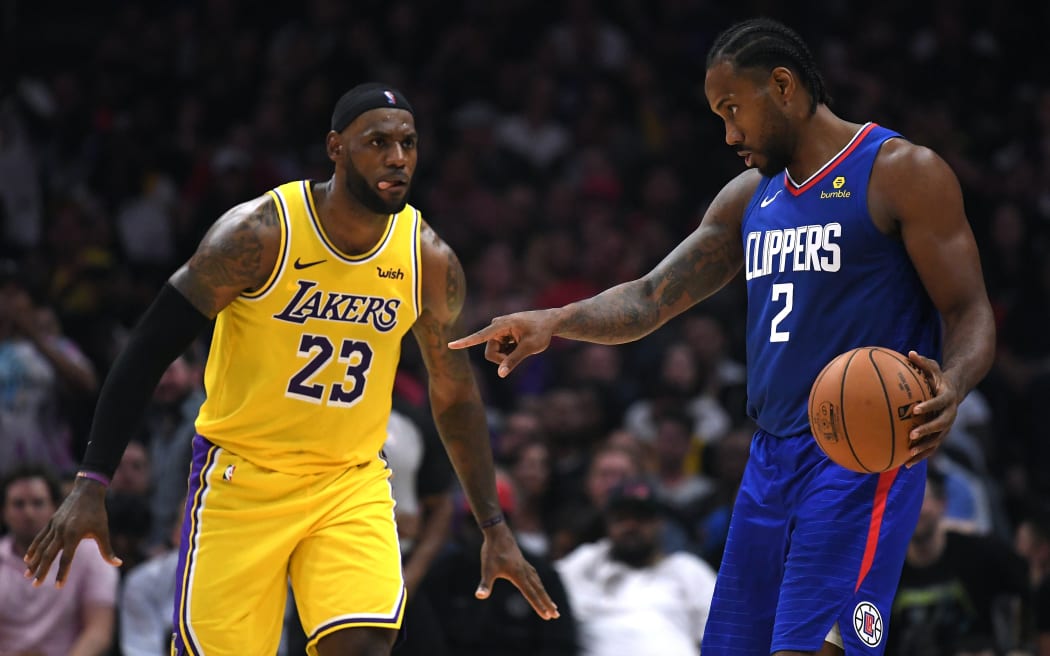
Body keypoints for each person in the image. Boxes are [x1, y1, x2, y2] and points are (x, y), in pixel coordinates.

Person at [450, 18, 996, 656]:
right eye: (719, 116)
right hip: (769, 460)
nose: (729, 133)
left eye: (734, 109)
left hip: (862, 454)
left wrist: (952, 384)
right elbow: (650, 297)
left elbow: (970, 311)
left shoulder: (901, 172)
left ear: (783, 86)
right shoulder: (749, 198)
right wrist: (555, 320)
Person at [23, 82, 558, 656]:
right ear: (336, 147)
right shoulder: (257, 234)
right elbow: (147, 350)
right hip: (243, 479)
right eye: (377, 142)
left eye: (408, 143)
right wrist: (92, 481)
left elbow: (454, 394)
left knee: (364, 644)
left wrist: (493, 526)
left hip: (348, 480)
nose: (397, 158)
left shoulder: (427, 259)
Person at [555, 477, 716, 656]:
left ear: (660, 523)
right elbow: (542, 587)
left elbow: (722, 633)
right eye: (621, 518)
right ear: (607, 523)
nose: (630, 526)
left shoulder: (687, 569)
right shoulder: (585, 562)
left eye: (640, 518)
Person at [889, 466, 1029, 655]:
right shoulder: (886, 568)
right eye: (904, 501)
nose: (913, 509)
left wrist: (1018, 647)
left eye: (921, 498)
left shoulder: (976, 552)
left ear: (942, 504)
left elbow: (1025, 577)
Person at [0, 464, 117, 655]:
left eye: (38, 503)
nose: (29, 513)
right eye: (18, 504)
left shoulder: (90, 555)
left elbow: (98, 632)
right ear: (4, 512)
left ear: (56, 508)